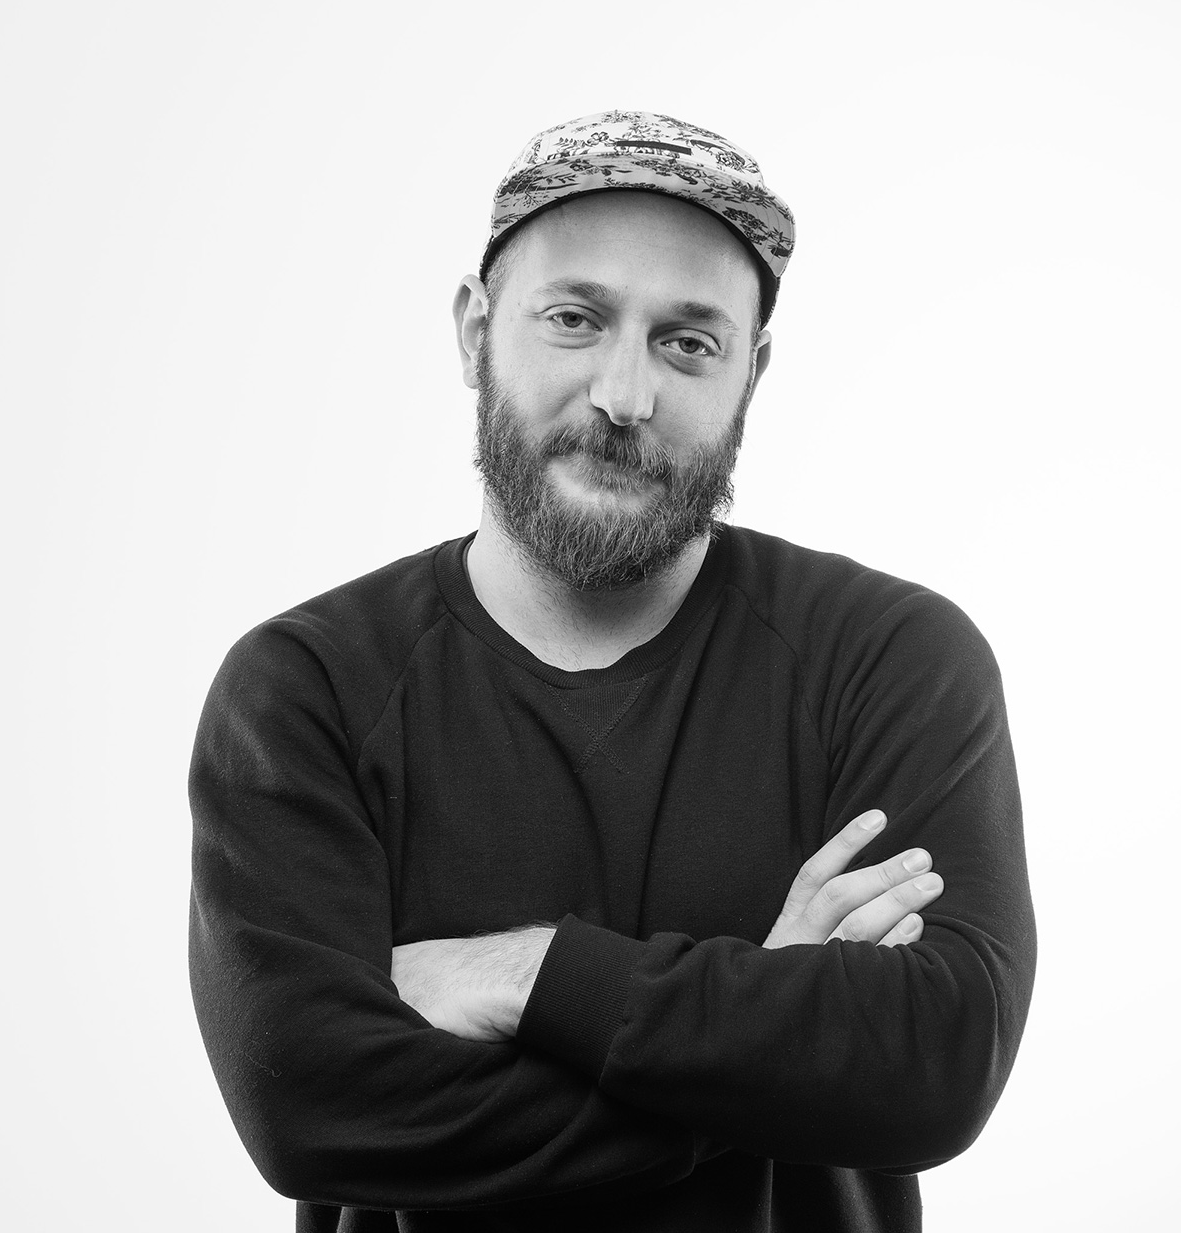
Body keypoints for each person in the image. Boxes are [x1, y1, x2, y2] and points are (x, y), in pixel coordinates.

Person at [189, 111, 1036, 1233]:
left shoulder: (888, 661)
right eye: (575, 319)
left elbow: (935, 1062)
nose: (624, 394)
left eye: (689, 343)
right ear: (474, 332)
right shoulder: (307, 690)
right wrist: (766, 1030)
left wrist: (530, 974)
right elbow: (311, 1107)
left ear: (751, 373)